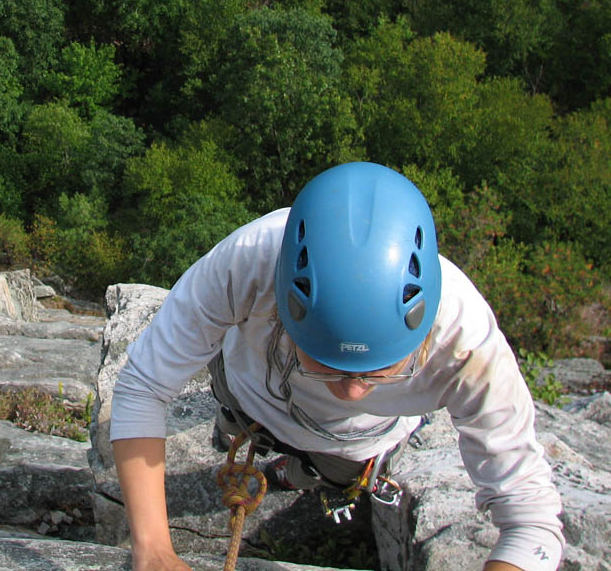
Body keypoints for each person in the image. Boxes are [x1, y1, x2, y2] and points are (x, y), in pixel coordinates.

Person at [111, 162, 563, 571]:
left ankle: (305, 474)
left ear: (423, 333)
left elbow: (532, 523)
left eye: (379, 370)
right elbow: (144, 386)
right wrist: (152, 548)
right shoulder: (250, 260)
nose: (351, 391)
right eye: (328, 364)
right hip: (250, 390)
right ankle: (242, 428)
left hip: (356, 442)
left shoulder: (465, 343)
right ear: (283, 304)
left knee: (334, 473)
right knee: (237, 421)